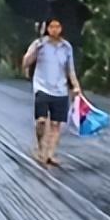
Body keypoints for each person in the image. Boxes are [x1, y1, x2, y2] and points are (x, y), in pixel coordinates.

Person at [22, 17, 82, 165]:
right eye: (51, 26)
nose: (54, 29)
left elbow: (70, 69)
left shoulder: (66, 47)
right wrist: (34, 51)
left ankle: (50, 154)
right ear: (46, 28)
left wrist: (76, 86)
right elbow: (25, 63)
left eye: (58, 26)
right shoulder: (39, 44)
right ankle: (41, 147)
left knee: (56, 124)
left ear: (62, 28)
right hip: (42, 87)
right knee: (41, 121)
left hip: (60, 89)